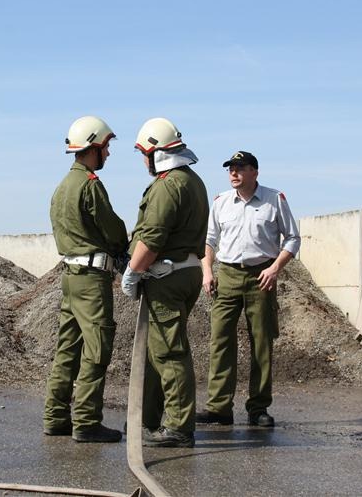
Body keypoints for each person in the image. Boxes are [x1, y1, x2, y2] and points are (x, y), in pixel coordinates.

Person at [121, 117, 209, 448]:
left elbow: (152, 238)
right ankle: (147, 418)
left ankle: (178, 427)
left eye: (144, 154)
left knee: (169, 353)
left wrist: (133, 270)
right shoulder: (192, 181)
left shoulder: (168, 185)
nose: (143, 161)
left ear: (155, 152)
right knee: (158, 350)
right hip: (184, 272)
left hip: (166, 277)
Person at [198, 151, 300, 428]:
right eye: (231, 168)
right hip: (227, 276)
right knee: (220, 341)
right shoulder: (220, 202)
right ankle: (219, 408)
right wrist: (207, 271)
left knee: (261, 343)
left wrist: (275, 268)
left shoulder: (274, 199)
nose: (234, 173)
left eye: (240, 168)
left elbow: (292, 238)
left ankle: (258, 408)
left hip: (261, 277)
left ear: (255, 171)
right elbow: (208, 240)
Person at [43, 116, 128, 443]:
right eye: (106, 147)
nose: (108, 153)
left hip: (70, 276)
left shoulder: (62, 188)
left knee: (68, 347)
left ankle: (55, 417)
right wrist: (124, 248)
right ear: (93, 147)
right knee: (96, 349)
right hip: (92, 279)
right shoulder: (90, 185)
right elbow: (113, 230)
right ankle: (87, 421)